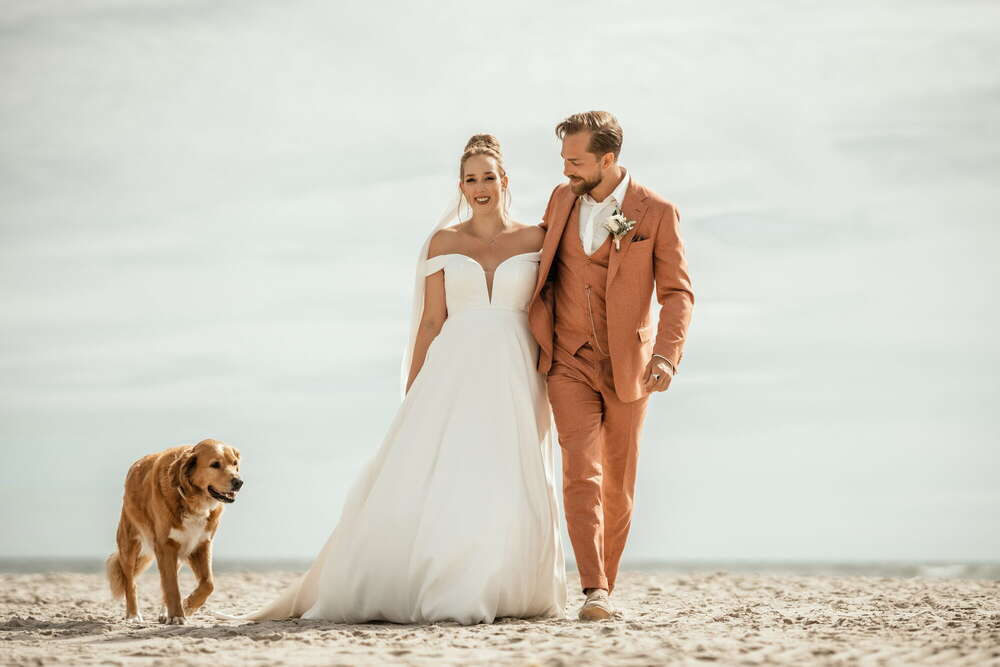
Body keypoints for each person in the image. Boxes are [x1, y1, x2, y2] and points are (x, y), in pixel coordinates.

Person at [221, 134, 566, 625]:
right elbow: (431, 321)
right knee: (452, 470)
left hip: (516, 368)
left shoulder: (536, 238)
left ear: (504, 180)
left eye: (488, 177)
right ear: (461, 186)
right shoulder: (443, 242)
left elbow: (555, 304)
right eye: (470, 179)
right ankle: (448, 580)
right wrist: (415, 387)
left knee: (506, 471)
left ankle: (504, 582)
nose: (480, 187)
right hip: (453, 369)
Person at [528, 111, 694, 621]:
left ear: (607, 159)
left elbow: (677, 293)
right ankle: (593, 589)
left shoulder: (657, 212)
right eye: (563, 160)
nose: (566, 171)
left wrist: (666, 354)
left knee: (617, 484)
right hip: (567, 360)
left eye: (575, 162)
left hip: (630, 367)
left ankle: (608, 581)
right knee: (581, 471)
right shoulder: (560, 200)